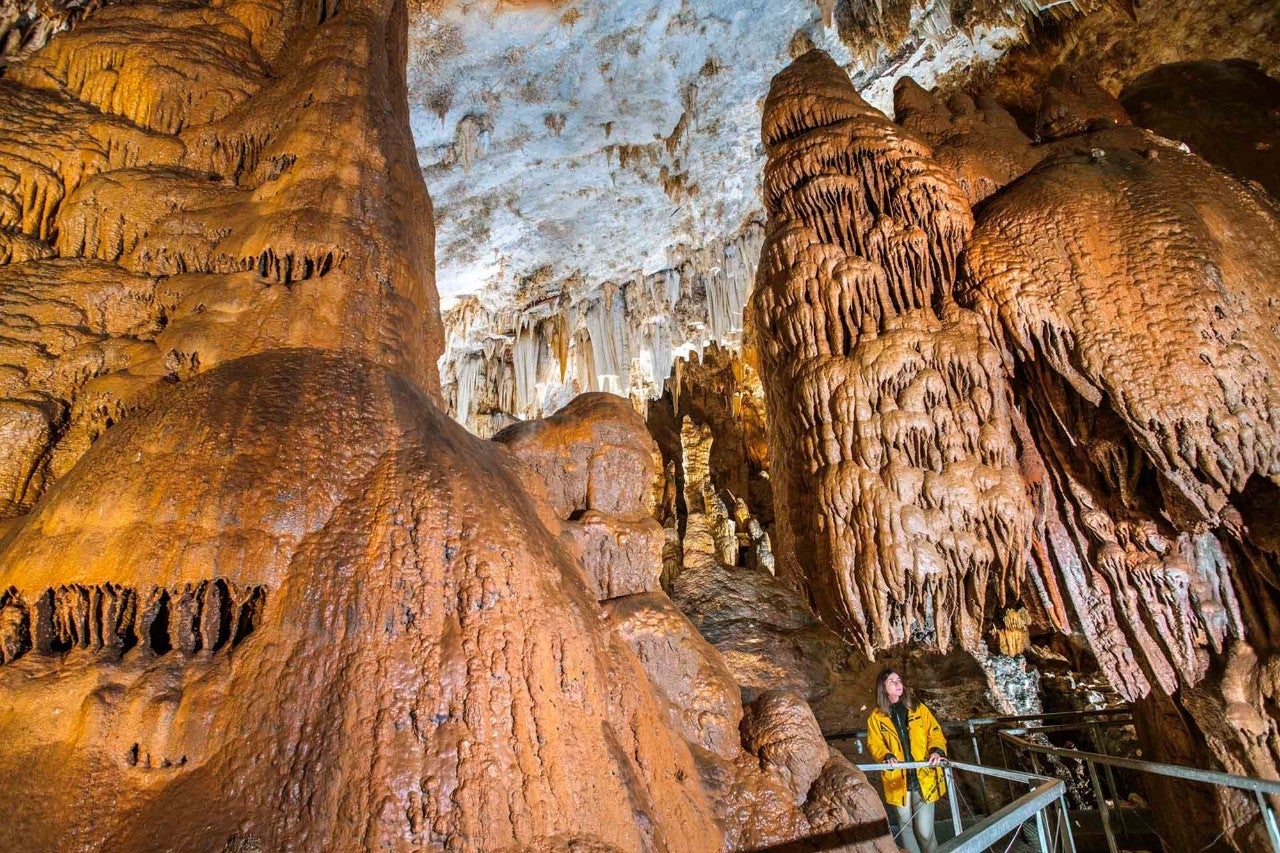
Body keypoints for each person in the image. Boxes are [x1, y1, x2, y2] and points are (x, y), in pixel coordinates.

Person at [866, 668, 948, 853]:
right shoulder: (876, 718)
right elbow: (875, 743)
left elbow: (934, 732)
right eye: (892, 682)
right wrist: (885, 755)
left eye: (898, 680)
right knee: (905, 826)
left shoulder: (918, 708)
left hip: (923, 775)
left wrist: (936, 750)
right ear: (883, 688)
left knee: (925, 831)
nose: (897, 684)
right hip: (898, 778)